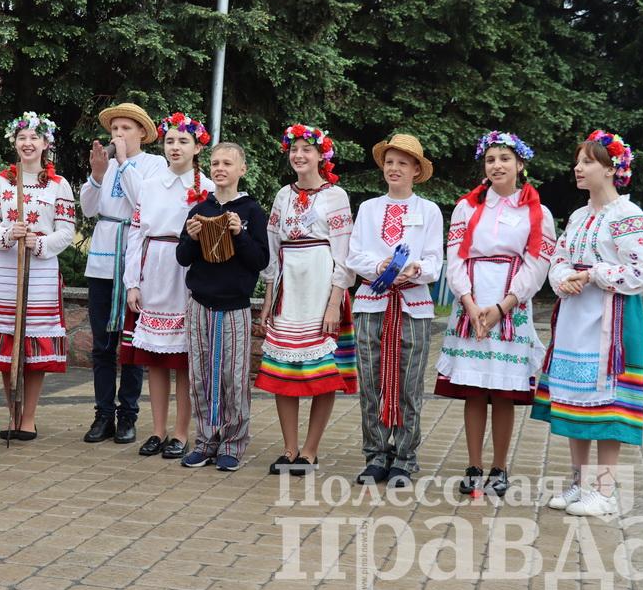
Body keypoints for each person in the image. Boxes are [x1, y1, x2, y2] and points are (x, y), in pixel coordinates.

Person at [532, 130, 643, 517]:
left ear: (611, 168)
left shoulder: (627, 216)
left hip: (611, 320)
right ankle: (579, 483)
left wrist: (593, 274)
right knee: (574, 399)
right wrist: (564, 277)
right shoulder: (579, 216)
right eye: (578, 161)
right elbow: (559, 259)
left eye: (587, 161)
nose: (578, 167)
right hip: (576, 317)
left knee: (606, 404)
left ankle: (604, 491)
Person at [435, 131, 556, 497]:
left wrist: (504, 306)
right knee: (474, 389)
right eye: (490, 160)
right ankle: (473, 465)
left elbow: (537, 264)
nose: (497, 165)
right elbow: (455, 258)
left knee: (503, 390)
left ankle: (499, 467)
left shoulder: (538, 212)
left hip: (510, 305)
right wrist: (469, 304)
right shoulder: (467, 207)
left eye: (504, 159)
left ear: (520, 164)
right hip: (471, 305)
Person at [257, 124, 358, 475]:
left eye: (307, 149)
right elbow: (272, 248)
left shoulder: (336, 196)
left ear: (321, 155)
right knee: (282, 372)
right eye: (294, 149)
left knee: (322, 373)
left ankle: (310, 451)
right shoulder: (282, 195)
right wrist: (268, 297)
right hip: (289, 290)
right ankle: (289, 449)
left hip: (321, 289)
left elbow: (344, 254)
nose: (299, 155)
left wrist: (334, 302)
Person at [348, 134, 443, 487]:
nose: (394, 168)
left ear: (416, 170)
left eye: (403, 163)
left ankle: (404, 458)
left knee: (409, 385)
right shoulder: (369, 208)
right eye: (389, 162)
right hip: (372, 303)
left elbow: (435, 260)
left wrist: (415, 268)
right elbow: (355, 255)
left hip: (412, 306)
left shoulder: (429, 210)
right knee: (371, 383)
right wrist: (380, 266)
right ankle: (375, 455)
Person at [122, 113, 215, 458]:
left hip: (187, 273)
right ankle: (157, 430)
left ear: (197, 147)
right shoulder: (150, 184)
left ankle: (180, 432)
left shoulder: (207, 189)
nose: (175, 147)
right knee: (156, 359)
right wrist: (132, 282)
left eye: (183, 141)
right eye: (170, 141)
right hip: (154, 270)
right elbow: (136, 234)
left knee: (184, 360)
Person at [0, 112, 76, 441]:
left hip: (40, 272)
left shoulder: (59, 185)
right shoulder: (1, 181)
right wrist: (9, 234)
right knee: (8, 343)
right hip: (5, 270)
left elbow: (66, 231)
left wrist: (39, 243)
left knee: (33, 343)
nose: (28, 143)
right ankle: (12, 414)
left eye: (34, 137)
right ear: (14, 142)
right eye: (22, 137)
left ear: (46, 143)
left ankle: (29, 418)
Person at [176, 142, 269, 471]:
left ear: (242, 169)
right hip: (200, 304)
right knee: (200, 376)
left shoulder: (252, 212)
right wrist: (190, 238)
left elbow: (260, 260)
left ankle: (232, 443)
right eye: (215, 163)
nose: (220, 168)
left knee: (234, 377)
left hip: (234, 307)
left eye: (227, 163)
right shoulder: (200, 209)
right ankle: (205, 441)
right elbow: (182, 258)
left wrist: (239, 234)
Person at [79, 103, 167, 444]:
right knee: (102, 344)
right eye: (114, 129)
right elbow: (88, 209)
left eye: (125, 129)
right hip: (102, 263)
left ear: (141, 133)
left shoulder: (154, 164)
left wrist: (124, 161)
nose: (118, 135)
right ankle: (103, 414)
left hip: (135, 266)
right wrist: (97, 175)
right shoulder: (107, 165)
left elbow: (143, 200)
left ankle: (128, 415)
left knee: (131, 344)